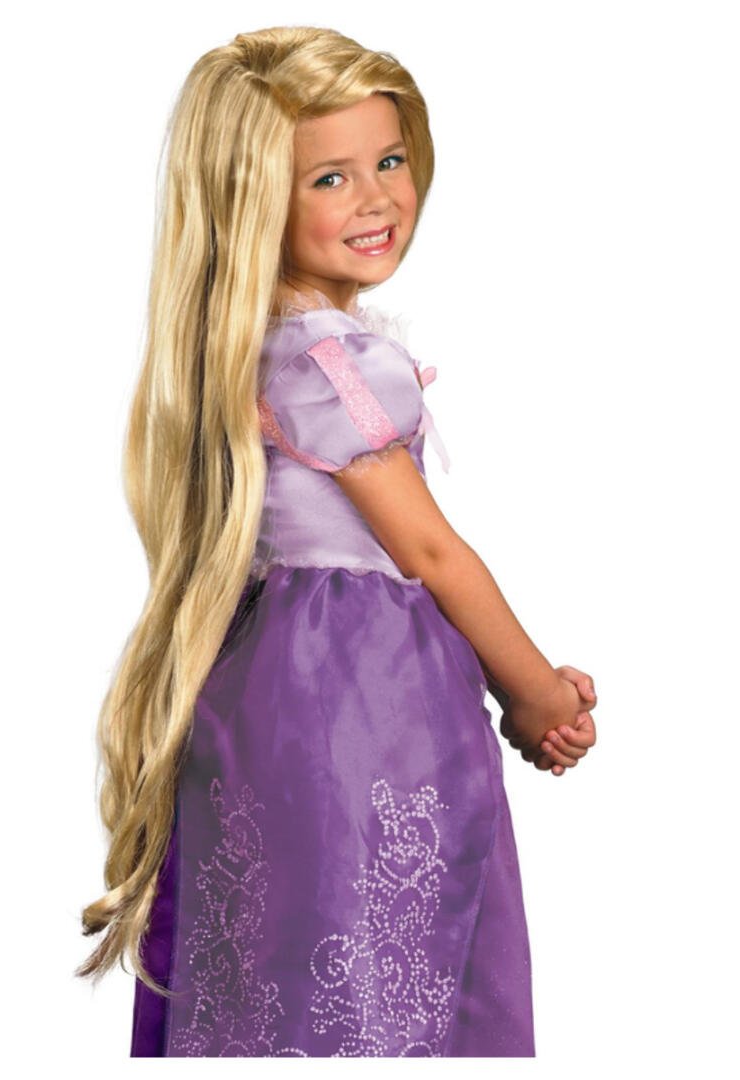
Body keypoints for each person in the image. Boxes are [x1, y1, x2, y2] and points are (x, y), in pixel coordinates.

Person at [75, 26, 598, 1057]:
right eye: (330, 178)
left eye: (390, 161)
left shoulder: (254, 352)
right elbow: (432, 554)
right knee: (372, 963)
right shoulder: (332, 364)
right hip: (364, 704)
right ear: (251, 202)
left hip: (269, 698)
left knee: (285, 946)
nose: (376, 198)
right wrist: (535, 693)